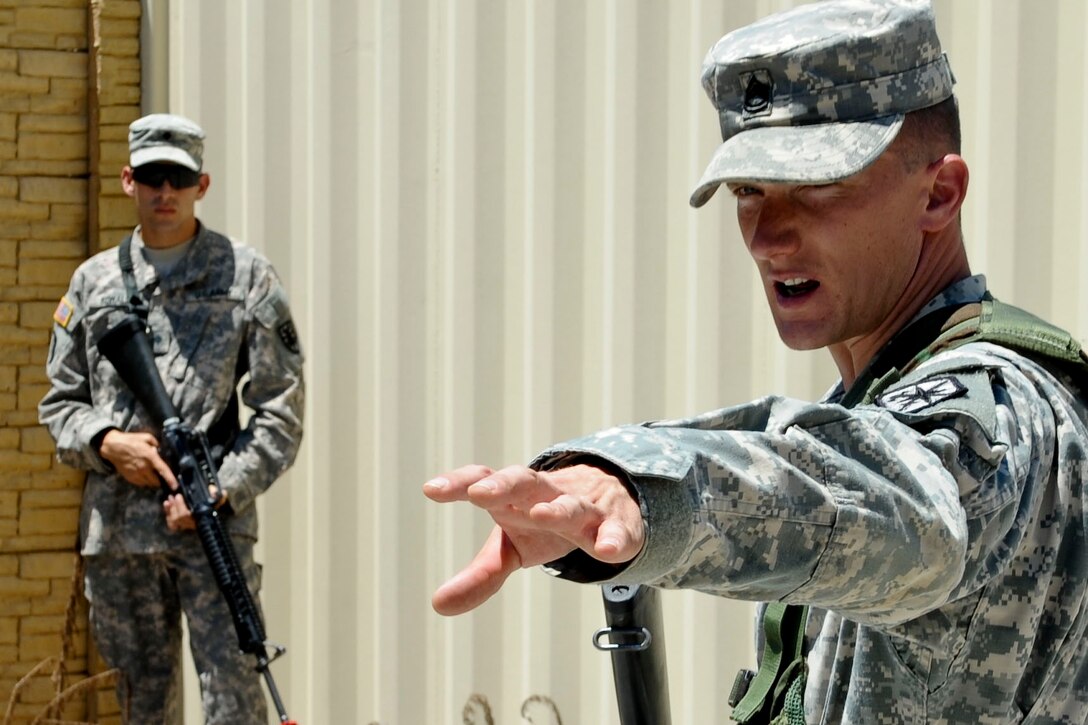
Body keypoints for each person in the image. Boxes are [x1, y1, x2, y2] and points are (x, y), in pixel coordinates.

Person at [423, 1, 1088, 722]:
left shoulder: (991, 412)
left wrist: (655, 491)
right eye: (749, 192)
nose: (769, 235)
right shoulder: (885, 392)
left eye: (820, 187)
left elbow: (892, 498)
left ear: (938, 193)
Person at [39, 113, 305, 724]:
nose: (165, 193)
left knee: (233, 703)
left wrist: (220, 489)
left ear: (201, 186)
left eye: (178, 179)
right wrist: (108, 444)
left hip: (211, 527)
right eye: (153, 177)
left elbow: (280, 410)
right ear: (129, 181)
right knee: (140, 708)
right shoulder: (93, 283)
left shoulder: (246, 277)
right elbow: (60, 403)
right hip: (120, 533)